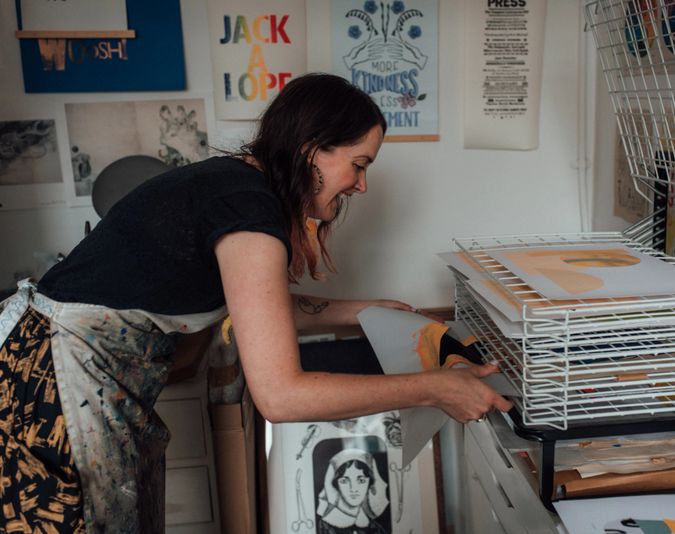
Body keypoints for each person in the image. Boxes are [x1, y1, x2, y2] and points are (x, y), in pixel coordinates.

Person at [0, 73, 512, 533]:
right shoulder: (248, 208)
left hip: (63, 373)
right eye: (357, 165)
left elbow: (257, 304)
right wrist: (433, 389)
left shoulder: (235, 185)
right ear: (313, 149)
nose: (361, 184)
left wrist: (360, 310)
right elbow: (281, 396)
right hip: (56, 393)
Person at [316, 449, 389, 534]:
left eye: (361, 481)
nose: (353, 489)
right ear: (335, 486)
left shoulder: (375, 528)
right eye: (344, 481)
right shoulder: (325, 527)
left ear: (370, 484)